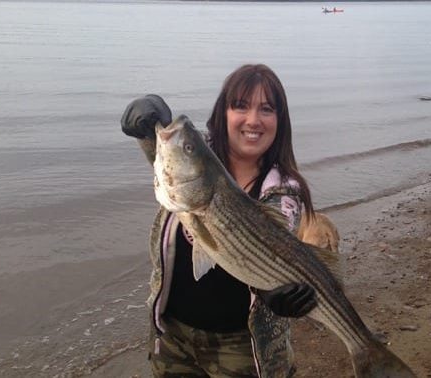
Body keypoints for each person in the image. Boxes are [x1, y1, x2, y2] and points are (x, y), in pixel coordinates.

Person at [121, 64, 316, 378]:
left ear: (280, 122)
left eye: (266, 109)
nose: (253, 120)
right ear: (222, 114)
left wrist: (276, 292)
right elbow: (169, 161)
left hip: (242, 345)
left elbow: (274, 257)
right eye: (240, 106)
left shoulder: (283, 191)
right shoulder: (198, 164)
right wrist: (147, 120)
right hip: (173, 334)